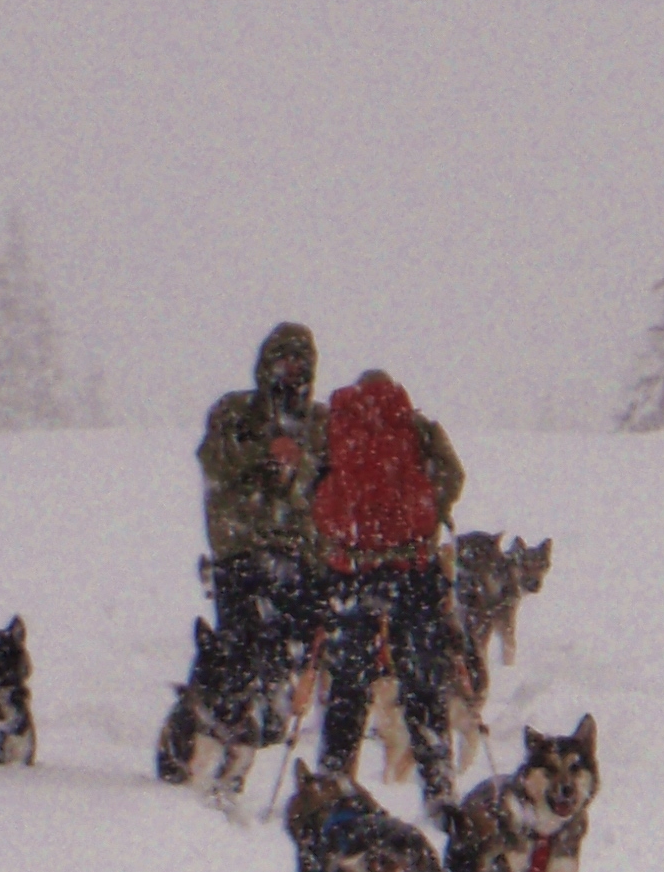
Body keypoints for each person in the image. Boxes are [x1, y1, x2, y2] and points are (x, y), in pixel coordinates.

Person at [156, 322, 325, 782]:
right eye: (284, 361)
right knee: (240, 651)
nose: (291, 372)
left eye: (300, 364)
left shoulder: (320, 422)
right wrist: (263, 453)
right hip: (241, 551)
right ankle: (226, 735)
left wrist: (299, 463)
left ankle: (261, 738)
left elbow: (332, 479)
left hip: (298, 555)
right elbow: (213, 459)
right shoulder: (233, 411)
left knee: (287, 651)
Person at [310, 370, 466, 812]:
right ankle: (439, 794)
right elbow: (453, 476)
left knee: (348, 689)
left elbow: (312, 489)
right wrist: (429, 516)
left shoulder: (335, 427)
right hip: (411, 569)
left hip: (353, 571)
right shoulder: (416, 427)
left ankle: (331, 788)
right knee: (422, 687)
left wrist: (339, 541)